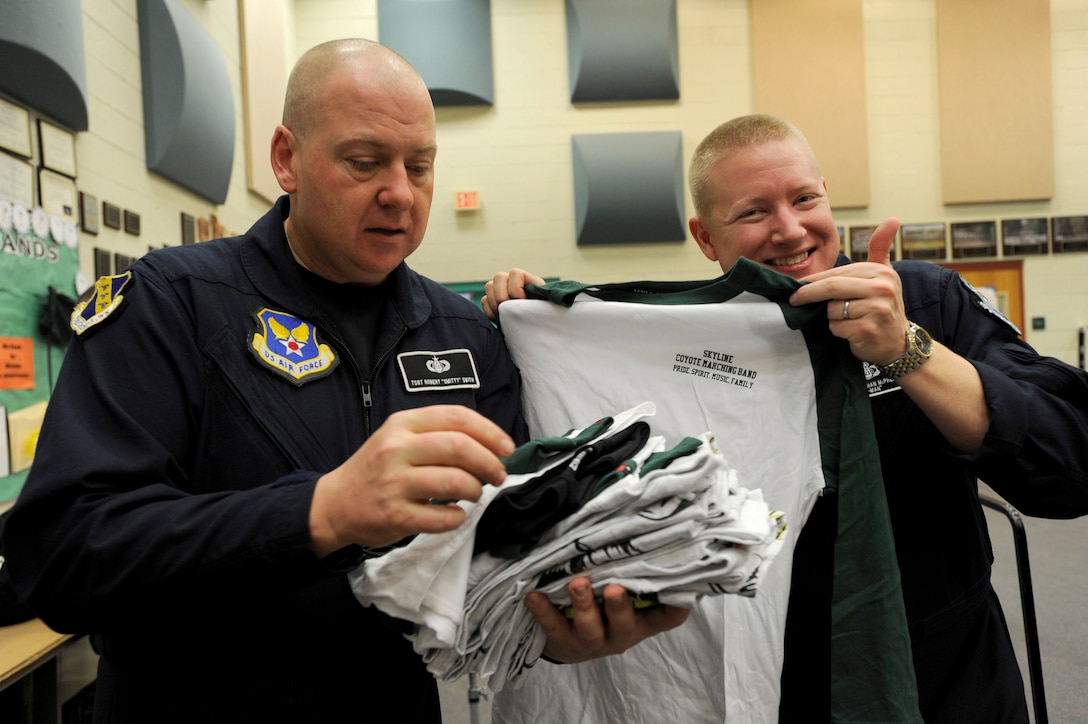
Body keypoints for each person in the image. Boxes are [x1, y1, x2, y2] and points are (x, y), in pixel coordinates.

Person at [3, 39, 686, 724]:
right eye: (365, 163)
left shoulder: (469, 337)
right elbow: (63, 557)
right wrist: (320, 513)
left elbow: (495, 566)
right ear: (286, 159)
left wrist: (562, 622)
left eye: (420, 167)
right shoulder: (170, 304)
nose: (399, 192)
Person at [484, 114, 1088, 723]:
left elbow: (1070, 466)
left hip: (949, 681)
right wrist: (531, 321)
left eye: (805, 198)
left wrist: (908, 349)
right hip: (769, 682)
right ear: (704, 237)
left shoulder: (925, 302)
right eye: (753, 212)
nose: (790, 229)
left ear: (827, 194)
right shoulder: (677, 350)